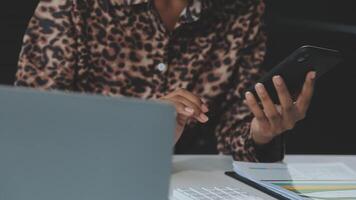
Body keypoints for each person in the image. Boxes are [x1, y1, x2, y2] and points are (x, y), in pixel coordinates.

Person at [15, 0, 315, 162]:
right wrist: (140, 124)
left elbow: (233, 137)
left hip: (189, 185)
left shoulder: (242, 9)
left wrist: (260, 133)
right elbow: (29, 129)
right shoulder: (71, 5)